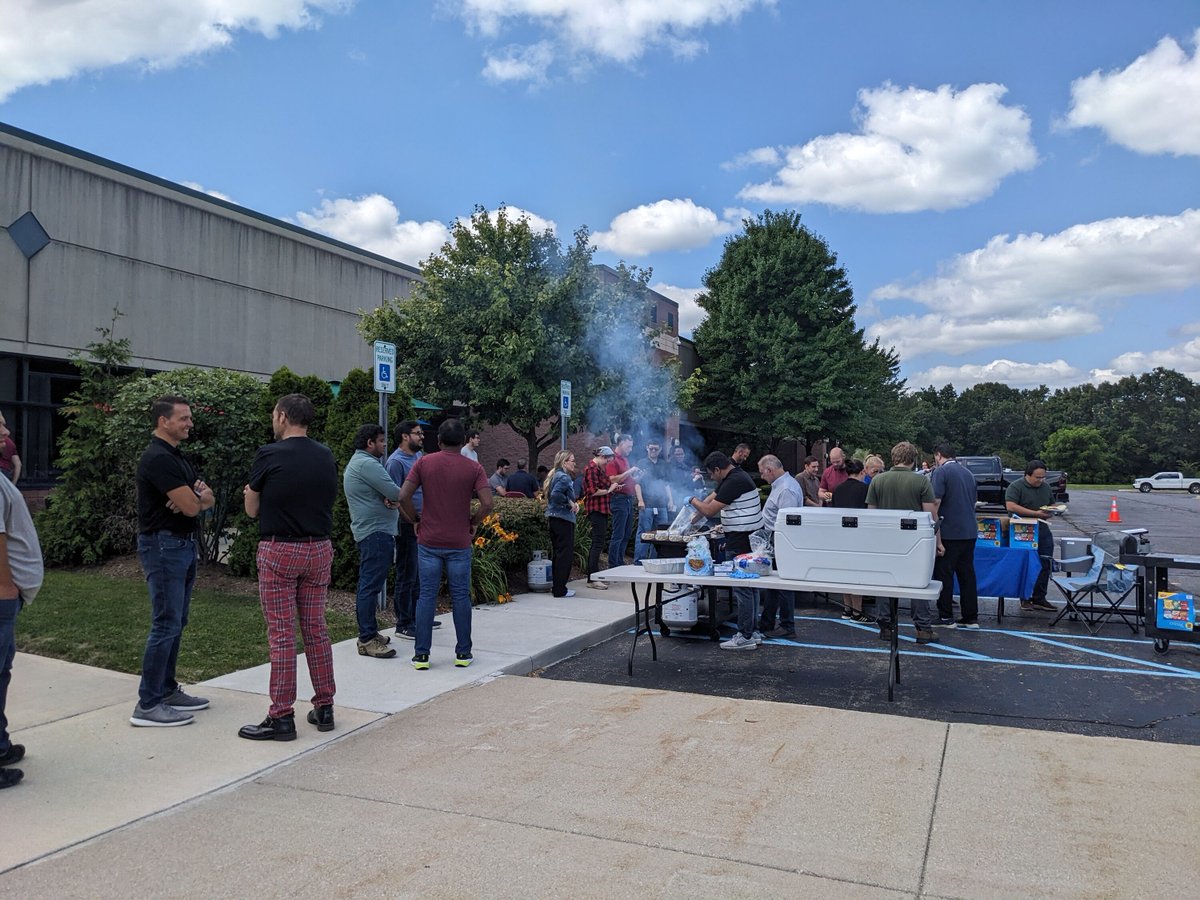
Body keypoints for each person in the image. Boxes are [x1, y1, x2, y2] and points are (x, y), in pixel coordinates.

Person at [239, 394, 339, 741]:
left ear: (282, 417)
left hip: (280, 549)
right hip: (319, 549)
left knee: (282, 635)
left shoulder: (269, 454)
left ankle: (281, 716)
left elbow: (252, 510)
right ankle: (324, 705)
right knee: (316, 629)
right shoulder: (325, 455)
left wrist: (251, 493)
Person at [130, 396, 215, 728]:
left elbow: (204, 497)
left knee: (177, 621)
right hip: (163, 546)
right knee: (166, 622)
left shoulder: (176, 457)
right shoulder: (157, 459)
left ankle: (166, 690)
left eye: (190, 418)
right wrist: (195, 500)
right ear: (163, 421)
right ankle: (148, 703)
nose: (189, 423)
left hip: (180, 545)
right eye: (183, 418)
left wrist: (195, 498)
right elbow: (196, 506)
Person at [398, 418, 492, 670]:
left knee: (426, 596)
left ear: (438, 440)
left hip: (428, 539)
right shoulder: (474, 468)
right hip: (459, 541)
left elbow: (403, 496)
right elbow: (488, 503)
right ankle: (463, 653)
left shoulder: (423, 462)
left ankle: (421, 655)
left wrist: (414, 520)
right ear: (463, 441)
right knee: (461, 596)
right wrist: (473, 522)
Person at [0, 418, 43, 789]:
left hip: (7, 596)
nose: (6, 433)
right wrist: (5, 588)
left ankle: (0, 745)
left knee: (2, 673)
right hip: (1, 596)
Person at [867, 441, 940, 645]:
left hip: (885, 541)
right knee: (918, 584)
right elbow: (930, 515)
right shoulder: (921, 482)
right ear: (913, 459)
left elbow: (870, 514)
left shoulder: (878, 481)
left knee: (884, 583)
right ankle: (923, 629)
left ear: (894, 458)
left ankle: (886, 627)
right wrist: (938, 541)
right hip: (915, 542)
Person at [689, 452, 763, 651]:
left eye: (711, 475)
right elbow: (711, 498)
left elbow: (709, 510)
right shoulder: (735, 475)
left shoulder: (734, 481)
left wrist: (691, 499)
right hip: (747, 539)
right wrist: (689, 522)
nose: (712, 479)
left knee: (742, 588)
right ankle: (753, 631)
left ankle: (745, 635)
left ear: (717, 470)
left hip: (740, 541)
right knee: (751, 586)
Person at [343, 423, 400, 659]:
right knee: (369, 586)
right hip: (375, 533)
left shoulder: (362, 463)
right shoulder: (367, 464)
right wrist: (394, 498)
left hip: (375, 532)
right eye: (381, 441)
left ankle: (370, 633)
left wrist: (388, 499)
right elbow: (396, 492)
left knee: (371, 585)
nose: (384, 445)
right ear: (370, 443)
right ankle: (366, 638)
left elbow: (386, 495)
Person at [387, 421, 436, 641]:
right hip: (407, 523)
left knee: (418, 573)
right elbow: (395, 497)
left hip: (422, 521)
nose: (422, 437)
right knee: (406, 573)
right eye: (418, 434)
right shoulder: (396, 462)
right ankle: (403, 622)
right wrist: (410, 519)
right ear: (405, 437)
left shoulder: (419, 457)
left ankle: (418, 617)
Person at [930, 442, 980, 628]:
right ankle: (970, 616)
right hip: (969, 531)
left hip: (950, 531)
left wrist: (936, 536)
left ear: (938, 455)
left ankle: (945, 616)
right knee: (967, 574)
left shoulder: (941, 472)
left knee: (944, 574)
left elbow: (935, 502)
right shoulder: (968, 473)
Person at [755, 455, 803, 638]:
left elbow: (788, 522)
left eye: (762, 473)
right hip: (776, 537)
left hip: (781, 538)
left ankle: (787, 625)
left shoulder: (786, 489)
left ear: (770, 470)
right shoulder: (783, 486)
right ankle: (767, 622)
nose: (762, 477)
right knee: (774, 583)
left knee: (783, 584)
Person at [1005, 459, 1057, 612]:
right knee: (1026, 564)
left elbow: (1052, 504)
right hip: (1023, 531)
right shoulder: (1016, 487)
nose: (1040, 480)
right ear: (1027, 475)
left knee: (1045, 564)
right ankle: (1025, 598)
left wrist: (1053, 510)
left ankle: (1040, 598)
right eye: (1037, 477)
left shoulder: (1046, 488)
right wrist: (1035, 514)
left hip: (1043, 530)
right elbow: (1011, 506)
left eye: (1043, 477)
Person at [831, 458, 870, 620]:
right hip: (859, 535)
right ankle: (857, 611)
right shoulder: (865, 489)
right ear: (862, 472)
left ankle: (847, 609)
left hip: (841, 536)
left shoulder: (838, 489)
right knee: (858, 575)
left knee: (844, 573)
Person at [543, 450, 579, 598]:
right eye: (572, 460)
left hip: (555, 519)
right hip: (563, 519)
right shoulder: (563, 477)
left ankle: (558, 587)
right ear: (564, 462)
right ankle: (560, 589)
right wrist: (570, 502)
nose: (574, 463)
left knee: (558, 554)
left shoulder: (555, 475)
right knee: (564, 555)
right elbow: (556, 495)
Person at [633, 440, 675, 564]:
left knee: (660, 534)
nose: (653, 451)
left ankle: (655, 561)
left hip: (661, 505)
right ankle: (639, 562)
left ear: (660, 449)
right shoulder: (641, 463)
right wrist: (640, 500)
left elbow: (667, 484)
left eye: (656, 449)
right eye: (651, 448)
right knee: (644, 533)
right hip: (647, 505)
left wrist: (671, 500)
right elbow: (637, 484)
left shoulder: (663, 464)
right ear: (647, 448)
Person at [582, 447, 615, 589]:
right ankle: (592, 578)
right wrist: (609, 490)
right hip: (596, 510)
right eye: (607, 460)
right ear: (601, 456)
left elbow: (607, 483)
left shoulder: (598, 469)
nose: (607, 463)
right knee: (597, 543)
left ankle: (594, 576)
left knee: (598, 543)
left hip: (601, 509)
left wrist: (615, 486)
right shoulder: (592, 469)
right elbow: (593, 491)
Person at [605, 434, 640, 567]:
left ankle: (619, 562)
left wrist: (637, 477)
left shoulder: (625, 459)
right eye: (628, 446)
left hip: (627, 499)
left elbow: (626, 480)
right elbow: (613, 479)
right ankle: (613, 564)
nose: (630, 449)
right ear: (620, 443)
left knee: (626, 534)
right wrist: (630, 471)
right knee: (618, 534)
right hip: (618, 499)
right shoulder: (612, 459)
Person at [0, 412, 20, 483]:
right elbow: (18, 464)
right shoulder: (11, 444)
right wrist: (13, 485)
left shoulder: (6, 442)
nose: (7, 432)